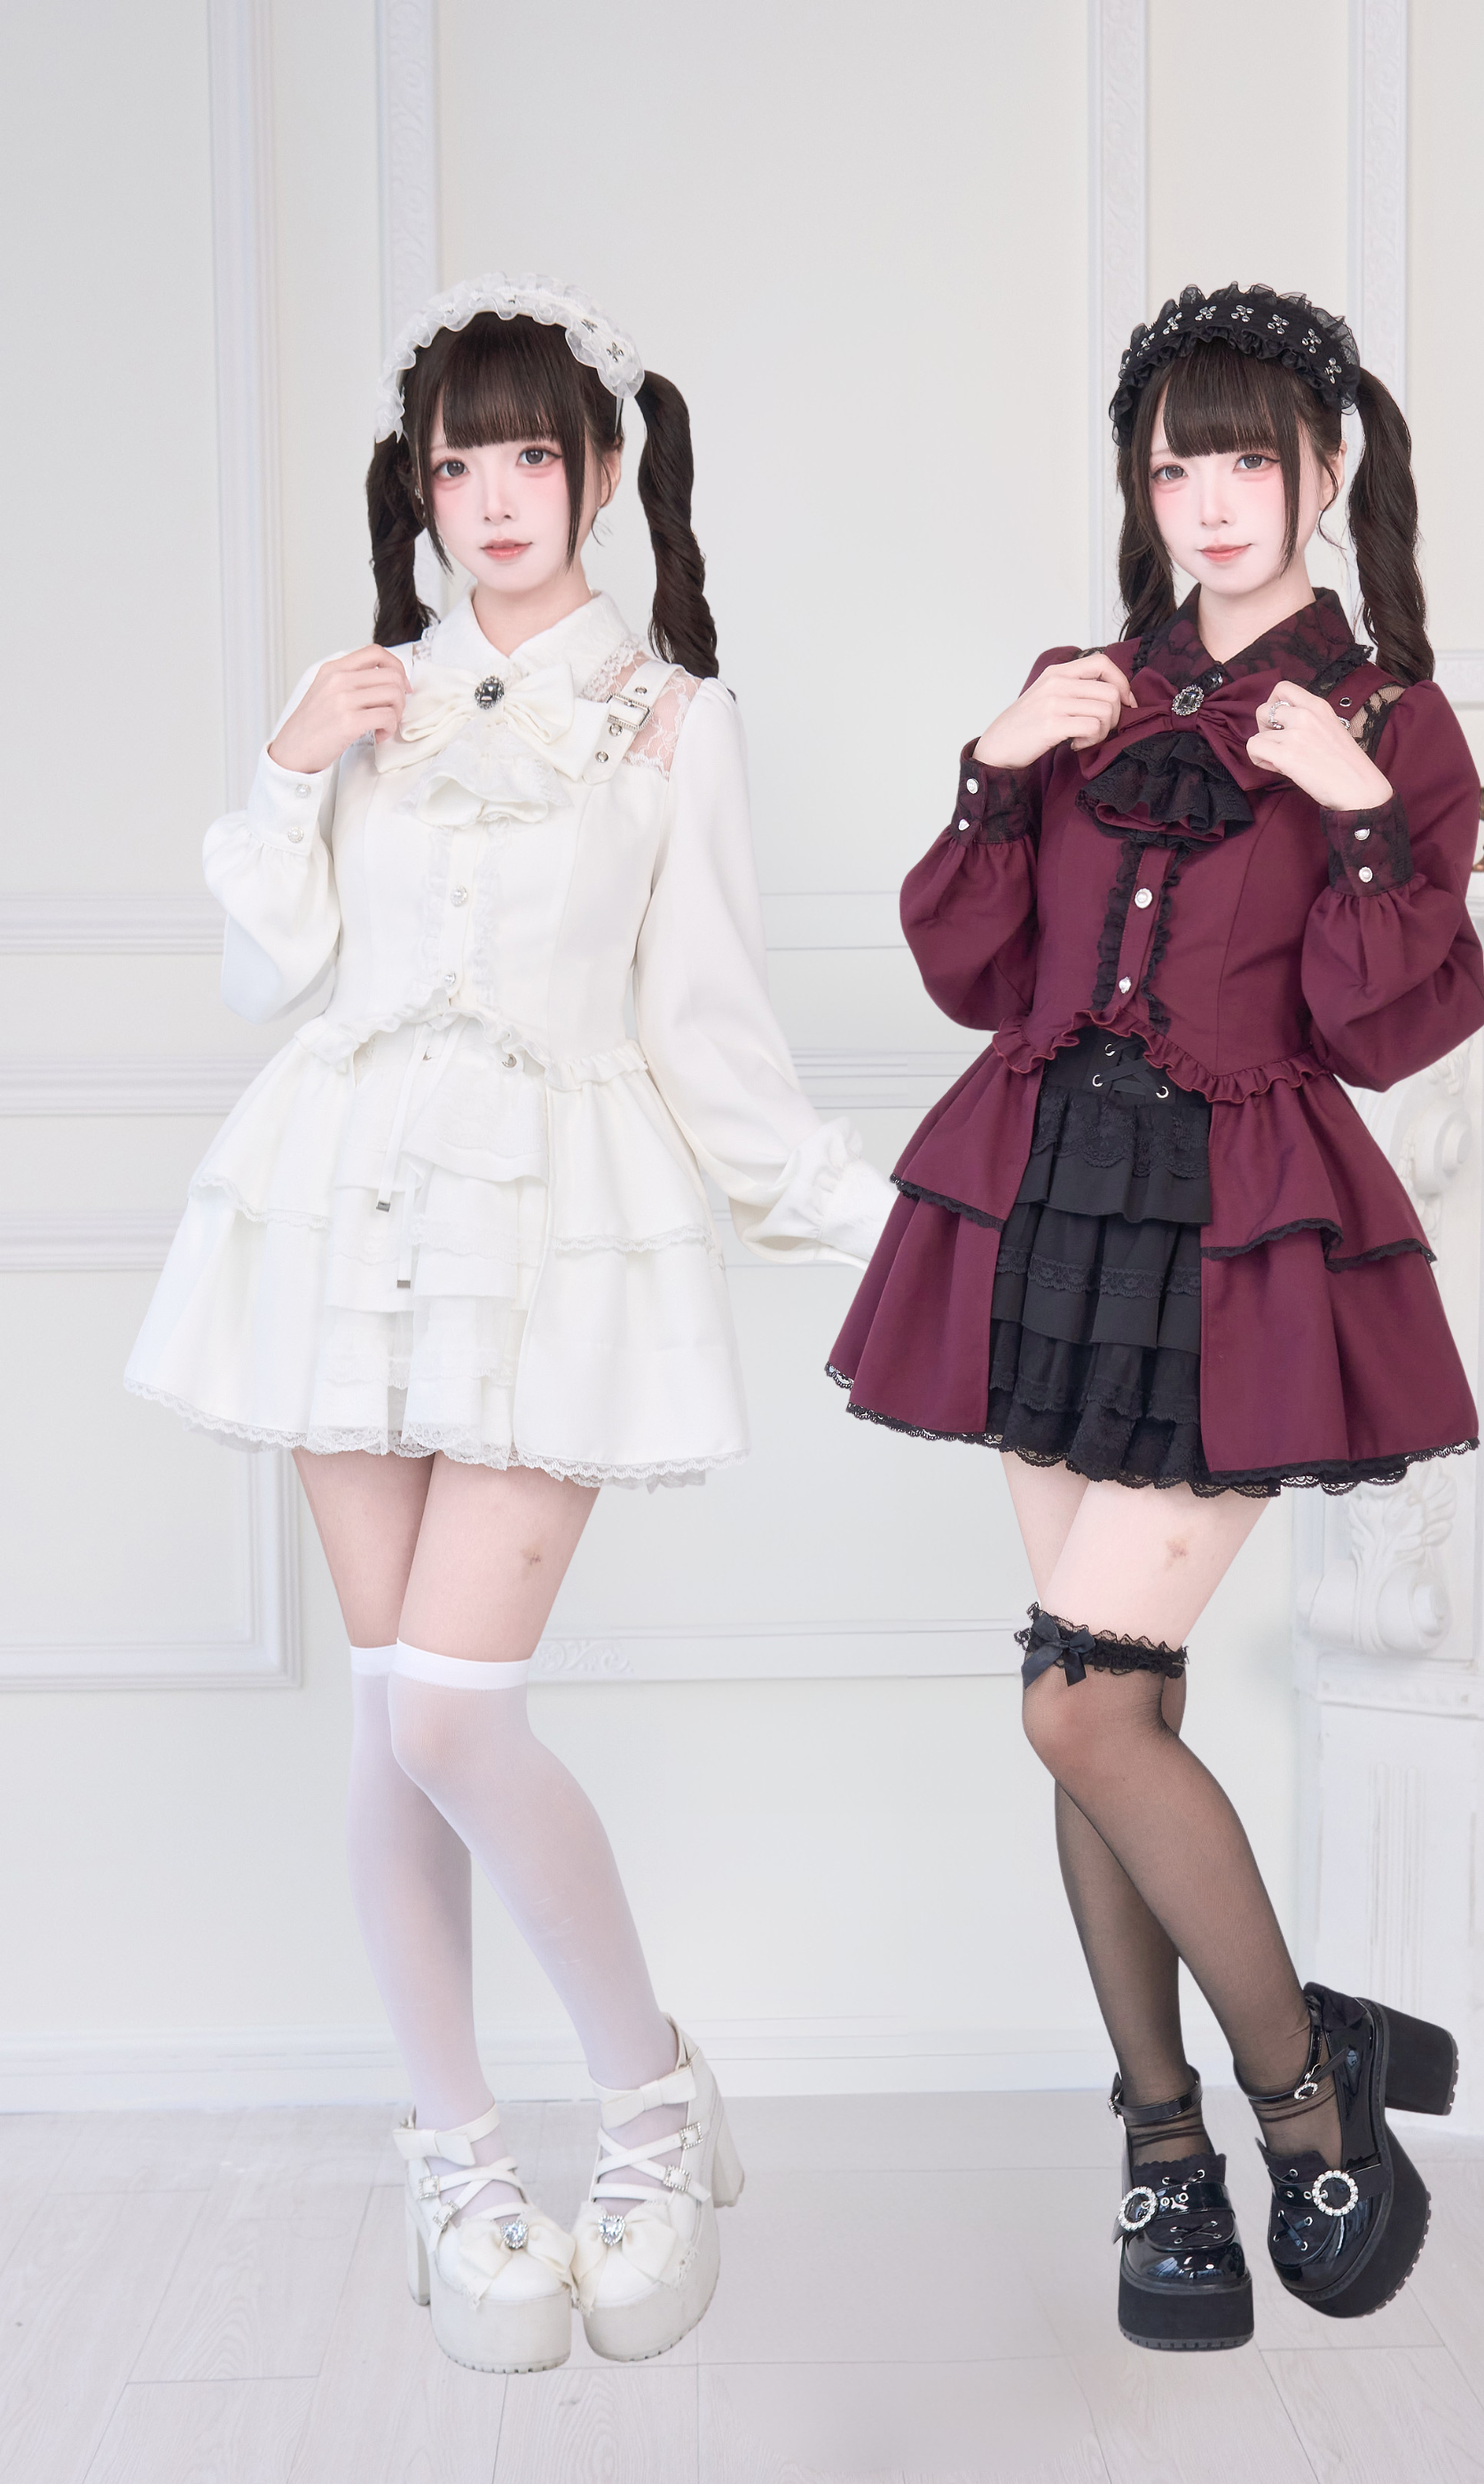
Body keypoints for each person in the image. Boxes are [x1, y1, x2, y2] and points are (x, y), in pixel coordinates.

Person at [127, 272, 892, 2373]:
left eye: (530, 454)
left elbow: (709, 1026)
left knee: (458, 1709)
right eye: (458, 461)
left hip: (557, 1233)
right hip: (339, 1206)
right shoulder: (364, 694)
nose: (492, 497)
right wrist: (289, 762)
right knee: (394, 1709)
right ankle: (456, 2153)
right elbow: (266, 971)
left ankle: (648, 2099)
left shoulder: (672, 723)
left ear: (601, 472)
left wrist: (881, 1225)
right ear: (422, 483)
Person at [829, 283, 1477, 2350]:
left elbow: (1385, 1023)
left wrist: (1353, 803)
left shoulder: (1390, 717)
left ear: (1324, 470)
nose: (1209, 497)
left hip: (1234, 1236)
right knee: (1103, 1698)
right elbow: (968, 964)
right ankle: (1164, 2150)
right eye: (1176, 460)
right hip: (1040, 1209)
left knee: (1077, 1705)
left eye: (1248, 458)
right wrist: (994, 769)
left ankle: (1309, 2100)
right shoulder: (1080, 690)